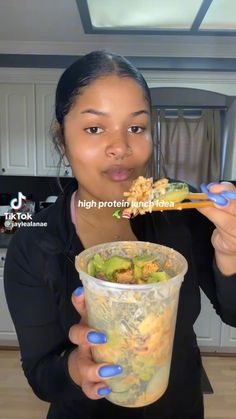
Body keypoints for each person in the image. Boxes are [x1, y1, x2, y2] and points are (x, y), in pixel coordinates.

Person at [4, 50, 236, 419]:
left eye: (136, 127)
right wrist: (75, 369)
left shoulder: (182, 215)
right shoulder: (32, 247)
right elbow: (41, 377)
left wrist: (230, 253)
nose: (121, 148)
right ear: (62, 140)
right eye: (95, 128)